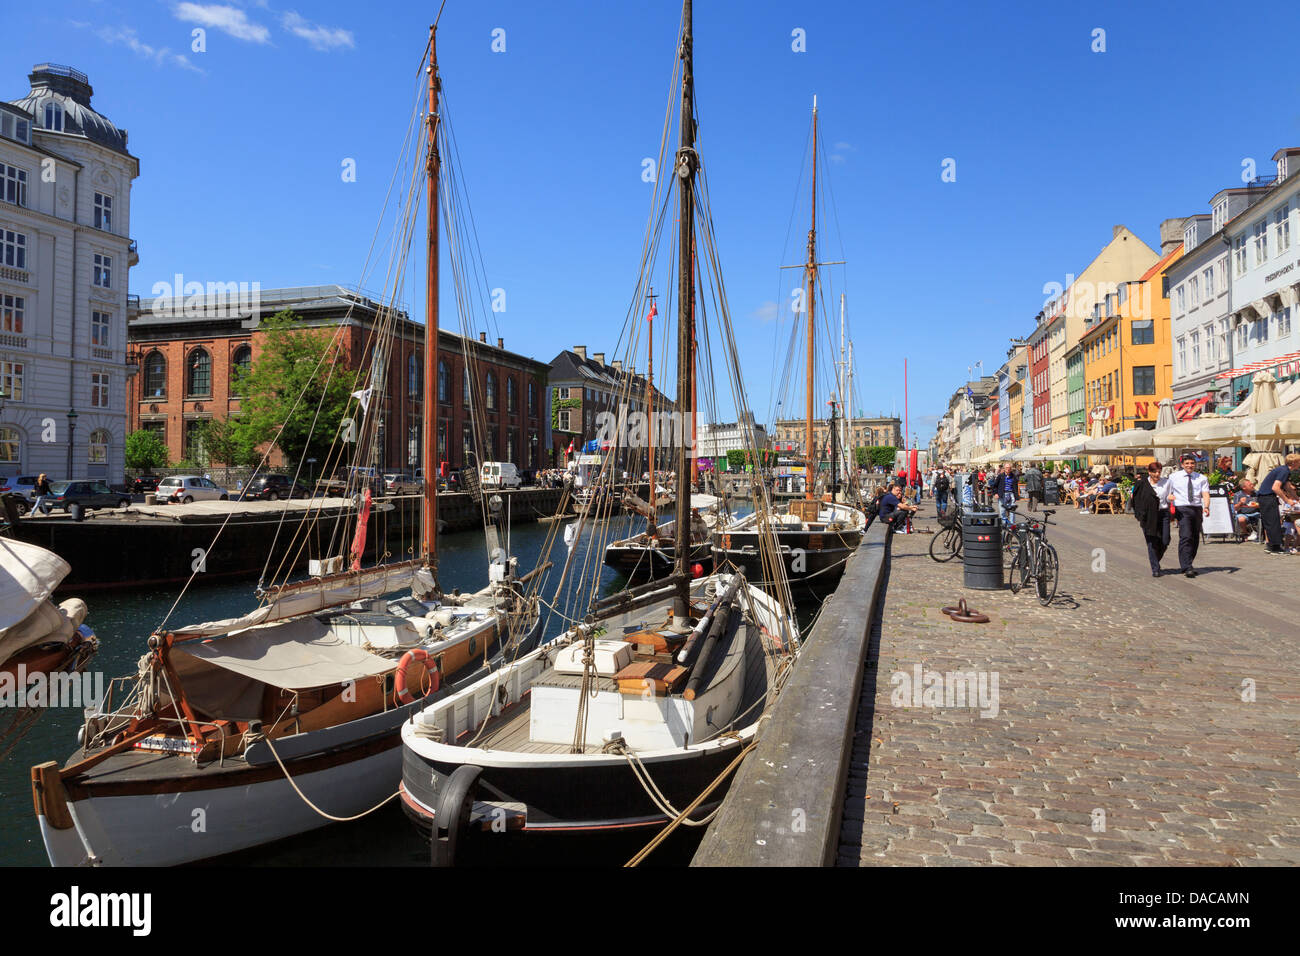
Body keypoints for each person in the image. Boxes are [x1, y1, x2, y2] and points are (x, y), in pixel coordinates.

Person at [1163, 452, 1211, 576]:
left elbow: (1205, 493)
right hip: (1182, 508)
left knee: (1195, 537)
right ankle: (1186, 566)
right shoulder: (1174, 477)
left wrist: (1206, 506)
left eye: (1192, 463)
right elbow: (1167, 491)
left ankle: (1189, 561)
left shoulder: (1201, 478)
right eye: (1187, 463)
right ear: (1182, 465)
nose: (1190, 465)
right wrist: (1169, 497)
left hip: (1196, 508)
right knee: (1186, 536)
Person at [1256, 453, 1300, 555]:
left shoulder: (1284, 470)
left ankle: (1271, 546)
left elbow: (1287, 487)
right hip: (1267, 497)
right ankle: (1275, 548)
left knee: (1273, 521)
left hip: (1266, 497)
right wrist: (1287, 500)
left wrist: (1297, 498)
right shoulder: (1284, 471)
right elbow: (1275, 487)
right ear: (1294, 462)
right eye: (1299, 461)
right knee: (1273, 522)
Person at [1131, 461, 1170, 577]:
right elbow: (1135, 499)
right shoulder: (1142, 483)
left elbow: (1169, 495)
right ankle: (1155, 568)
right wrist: (1140, 514)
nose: (1157, 474)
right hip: (1148, 516)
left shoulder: (1167, 482)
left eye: (1159, 472)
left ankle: (1155, 559)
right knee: (1152, 541)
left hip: (1163, 513)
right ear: (1149, 472)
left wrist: (1171, 498)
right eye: (1154, 472)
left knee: (1165, 540)